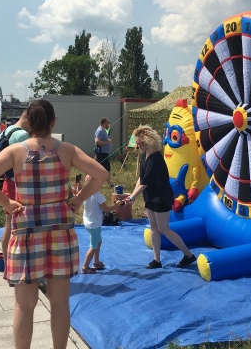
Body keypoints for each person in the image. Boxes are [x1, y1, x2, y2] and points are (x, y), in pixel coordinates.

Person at [0, 99, 108, 349]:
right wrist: (78, 199)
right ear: (52, 122)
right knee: (59, 303)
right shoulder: (67, 150)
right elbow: (102, 174)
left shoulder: (16, 151)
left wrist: (7, 203)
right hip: (60, 231)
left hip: (26, 231)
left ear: (28, 124)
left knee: (24, 306)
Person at [123, 125, 197, 269]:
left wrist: (132, 199)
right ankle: (156, 260)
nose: (139, 145)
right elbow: (141, 178)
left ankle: (188, 255)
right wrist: (131, 194)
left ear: (148, 141)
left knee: (164, 229)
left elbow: (144, 182)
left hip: (161, 197)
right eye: (138, 143)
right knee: (153, 228)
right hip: (150, 196)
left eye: (141, 143)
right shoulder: (145, 156)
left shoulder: (156, 159)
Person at [0, 110, 30, 271]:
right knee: (20, 227)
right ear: (28, 120)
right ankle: (18, 266)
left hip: (8, 183)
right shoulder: (22, 135)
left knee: (8, 225)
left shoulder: (7, 131)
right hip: (19, 185)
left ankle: (8, 264)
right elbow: (28, 166)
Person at [81, 174, 117, 274]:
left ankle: (96, 262)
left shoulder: (84, 193)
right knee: (93, 245)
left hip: (88, 222)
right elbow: (106, 209)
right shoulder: (99, 197)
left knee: (98, 241)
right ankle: (85, 267)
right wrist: (116, 206)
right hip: (95, 224)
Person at [94, 117, 113, 187]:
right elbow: (97, 141)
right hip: (102, 153)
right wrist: (107, 142)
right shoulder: (100, 131)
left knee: (101, 168)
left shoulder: (103, 130)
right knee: (106, 168)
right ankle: (109, 183)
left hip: (104, 153)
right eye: (107, 122)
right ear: (104, 123)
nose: (108, 124)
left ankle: (107, 182)